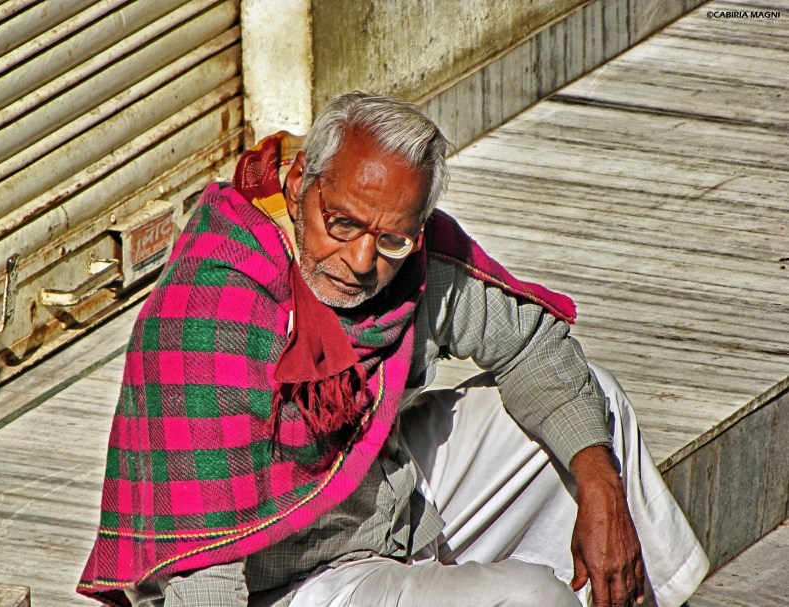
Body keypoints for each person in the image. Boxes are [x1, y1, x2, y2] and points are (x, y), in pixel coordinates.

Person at [78, 93, 709, 607]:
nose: (359, 262)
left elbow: (530, 345)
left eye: (391, 239)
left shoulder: (406, 261)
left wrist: (602, 490)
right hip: (287, 582)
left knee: (596, 410)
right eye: (342, 224)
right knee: (529, 599)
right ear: (300, 186)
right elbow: (202, 566)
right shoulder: (214, 314)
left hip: (386, 499)